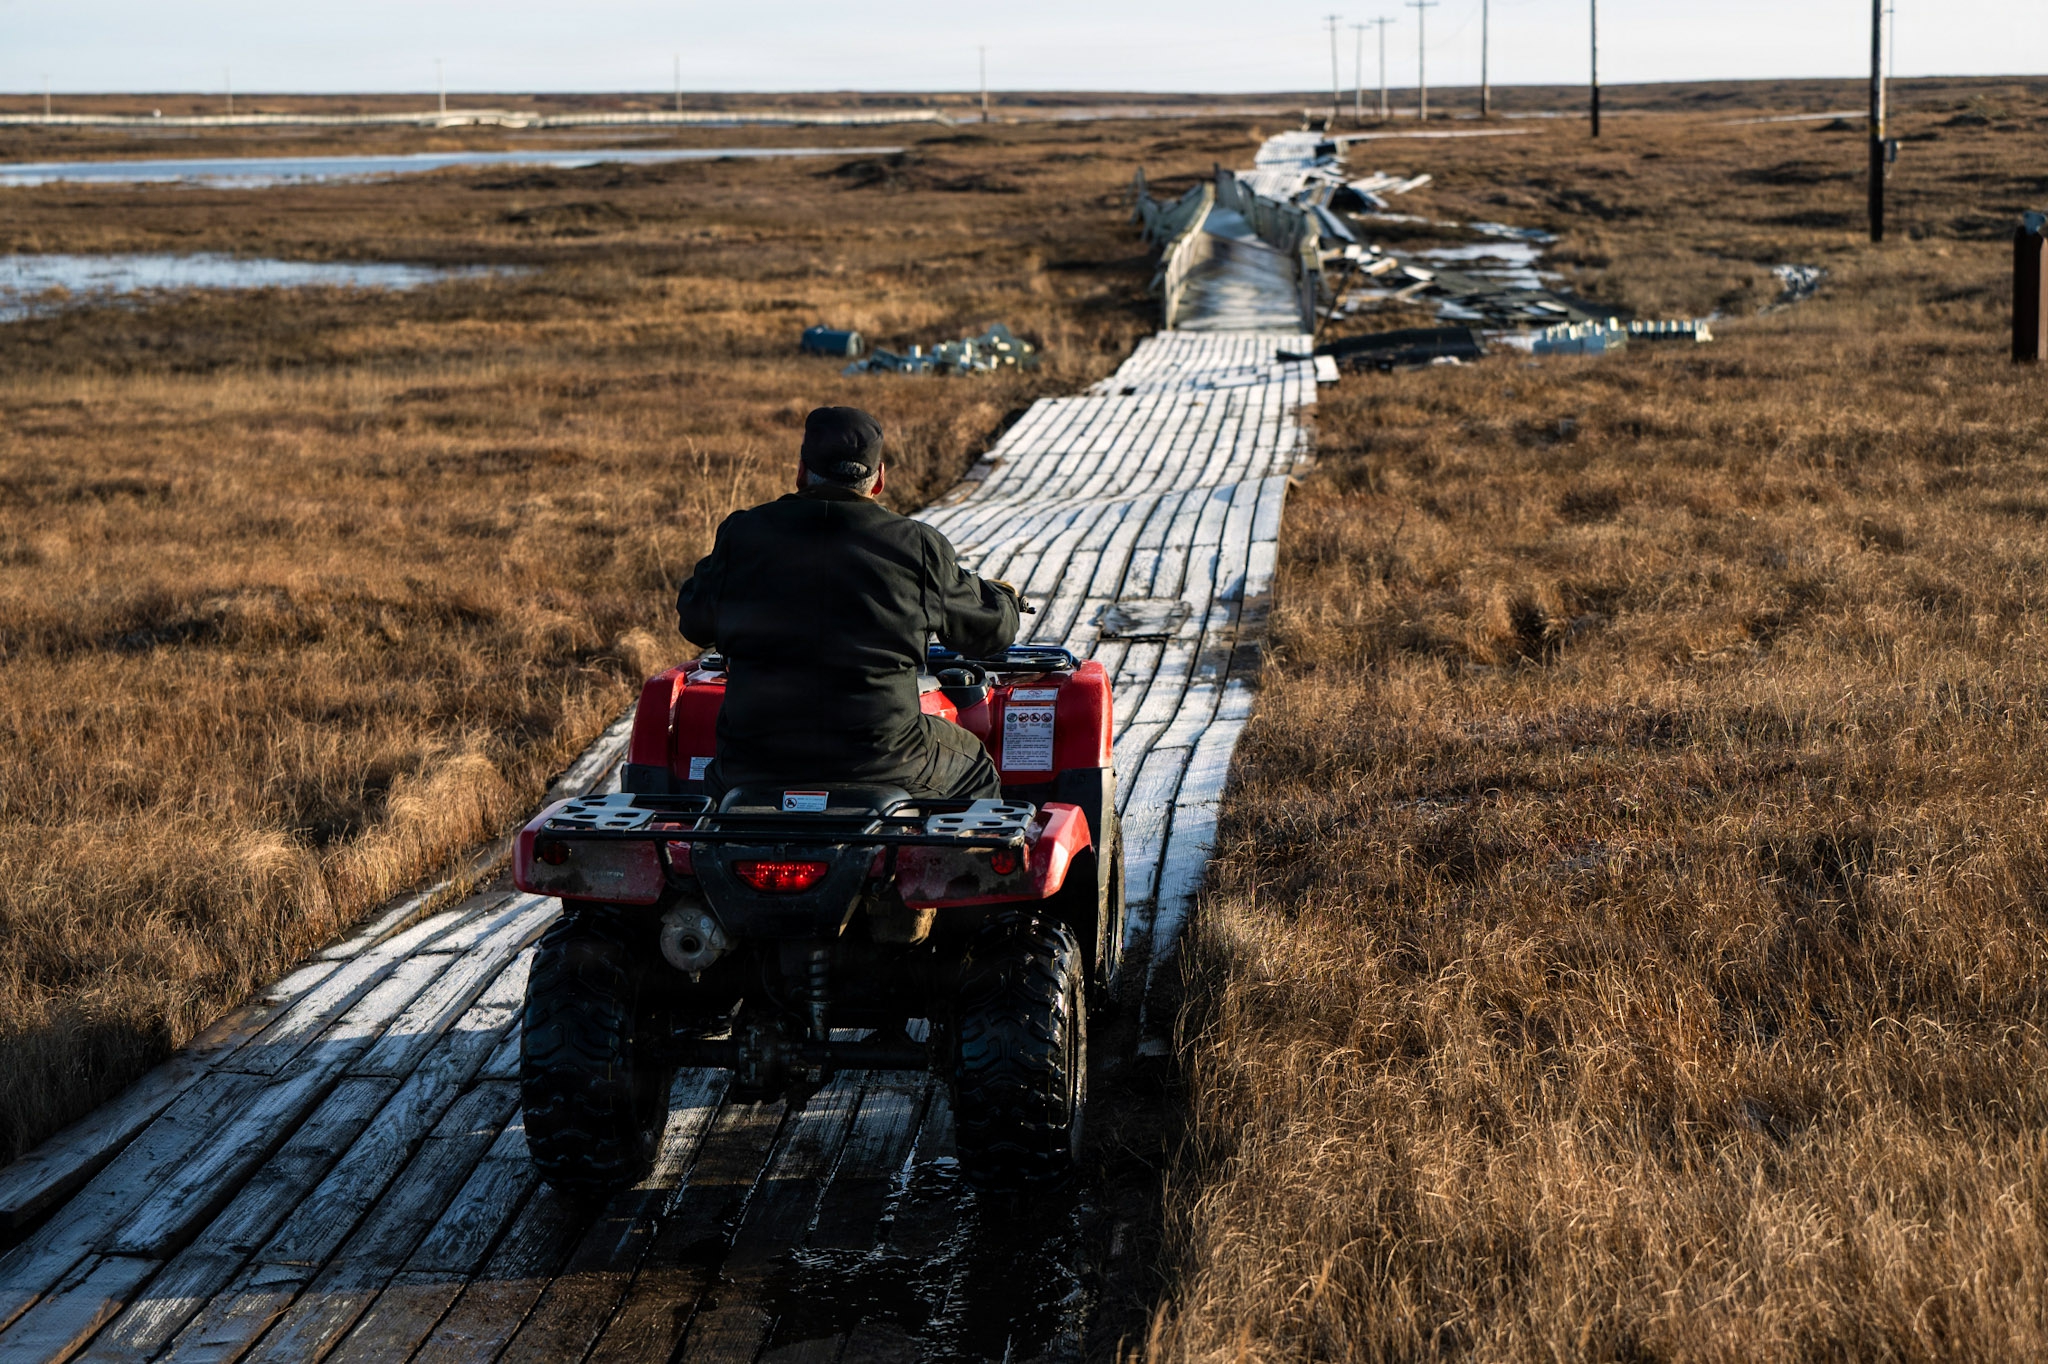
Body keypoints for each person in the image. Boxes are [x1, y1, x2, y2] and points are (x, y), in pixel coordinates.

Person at [676, 406, 1020, 802]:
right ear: (879, 480)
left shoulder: (742, 534)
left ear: (801, 471)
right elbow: (990, 630)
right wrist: (1004, 598)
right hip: (886, 760)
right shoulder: (916, 545)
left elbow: (694, 621)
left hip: (752, 761)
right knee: (975, 763)